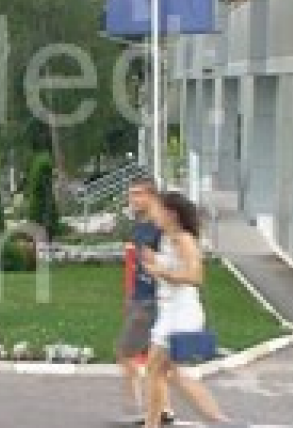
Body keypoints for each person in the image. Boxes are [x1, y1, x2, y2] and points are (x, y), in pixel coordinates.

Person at [141, 192, 230, 428]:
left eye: (158, 210)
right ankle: (218, 419)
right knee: (169, 374)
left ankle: (153, 424)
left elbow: (195, 276)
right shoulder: (165, 239)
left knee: (157, 371)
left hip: (181, 313)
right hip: (169, 312)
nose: (154, 214)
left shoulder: (184, 240)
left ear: (171, 214)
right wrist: (154, 262)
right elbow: (169, 267)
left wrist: (160, 271)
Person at [115, 177, 174, 425]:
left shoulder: (162, 227)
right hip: (140, 297)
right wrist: (130, 296)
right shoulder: (139, 226)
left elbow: (172, 260)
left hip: (153, 300)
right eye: (131, 194)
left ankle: (144, 408)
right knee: (155, 361)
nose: (133, 199)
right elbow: (137, 264)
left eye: (138, 193)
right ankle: (163, 409)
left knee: (125, 352)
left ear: (152, 196)